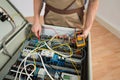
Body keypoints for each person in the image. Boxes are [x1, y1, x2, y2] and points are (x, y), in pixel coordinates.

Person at [32, 0, 99, 39]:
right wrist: (36, 21)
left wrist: (87, 28)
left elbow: (93, 1)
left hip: (74, 23)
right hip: (51, 20)